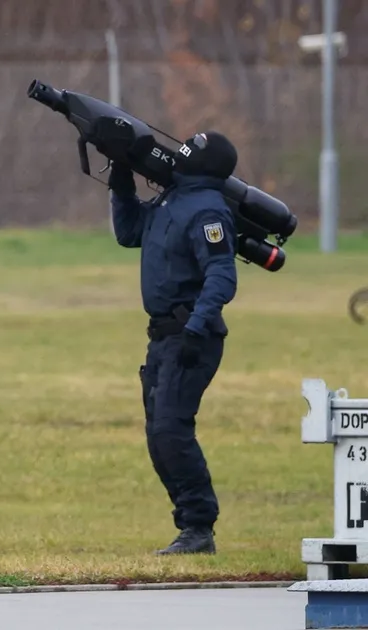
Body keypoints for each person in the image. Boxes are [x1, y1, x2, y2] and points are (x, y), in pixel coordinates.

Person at [108, 131, 239, 556]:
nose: (180, 156)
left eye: (189, 153)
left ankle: (199, 528)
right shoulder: (171, 199)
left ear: (204, 165)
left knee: (171, 430)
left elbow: (222, 275)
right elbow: (130, 232)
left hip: (191, 337)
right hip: (162, 338)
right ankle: (191, 527)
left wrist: (197, 328)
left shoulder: (207, 210)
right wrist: (121, 179)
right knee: (158, 435)